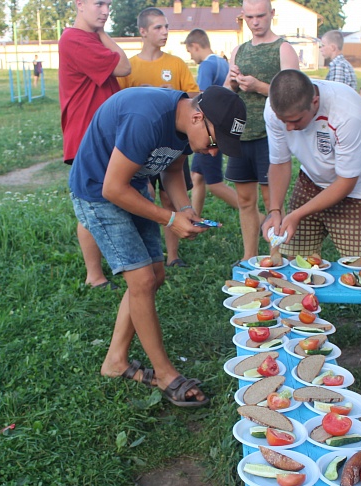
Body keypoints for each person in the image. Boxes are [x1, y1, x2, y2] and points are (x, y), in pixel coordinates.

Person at [69, 85, 246, 406]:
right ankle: (166, 375)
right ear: (197, 117)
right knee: (142, 280)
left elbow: (173, 169)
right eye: (215, 142)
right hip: (99, 192)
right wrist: (168, 219)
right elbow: (112, 188)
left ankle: (116, 361)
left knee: (154, 276)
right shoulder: (146, 118)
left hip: (132, 185)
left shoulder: (184, 124)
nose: (213, 152)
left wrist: (183, 209)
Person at [260, 70, 361, 371]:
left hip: (359, 188)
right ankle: (297, 331)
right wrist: (276, 210)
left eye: (296, 121)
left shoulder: (348, 114)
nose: (290, 127)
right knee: (293, 262)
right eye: (285, 122)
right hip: (311, 178)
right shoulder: (276, 110)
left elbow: (346, 181)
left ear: (315, 101)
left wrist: (297, 213)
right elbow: (279, 162)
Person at [118, 7, 200, 268]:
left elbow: (195, 99)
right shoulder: (129, 67)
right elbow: (119, 105)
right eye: (158, 27)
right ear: (143, 31)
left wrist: (171, 94)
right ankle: (147, 253)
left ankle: (173, 255)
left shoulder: (175, 63)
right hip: (139, 146)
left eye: (166, 27)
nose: (164, 32)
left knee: (169, 196)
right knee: (143, 195)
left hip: (172, 143)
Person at [60, 0, 131, 290]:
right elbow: (124, 65)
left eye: (108, 5)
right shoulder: (75, 39)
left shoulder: (91, 38)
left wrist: (100, 32)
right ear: (79, 4)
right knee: (91, 205)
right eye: (99, 3)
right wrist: (102, 33)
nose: (105, 10)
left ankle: (119, 263)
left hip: (104, 133)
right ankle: (95, 275)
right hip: (87, 135)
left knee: (112, 197)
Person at [225, 0, 299, 263]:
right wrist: (232, 82)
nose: (255, 22)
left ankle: (275, 256)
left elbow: (294, 95)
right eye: (250, 17)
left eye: (260, 16)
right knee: (245, 200)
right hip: (240, 134)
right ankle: (249, 257)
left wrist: (258, 86)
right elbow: (226, 93)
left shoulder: (284, 49)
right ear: (243, 16)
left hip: (271, 135)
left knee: (272, 200)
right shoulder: (239, 50)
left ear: (272, 14)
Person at [184, 28, 239, 217]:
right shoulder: (221, 63)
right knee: (197, 177)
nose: (191, 57)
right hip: (221, 126)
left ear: (195, 46)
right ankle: (196, 219)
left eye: (190, 52)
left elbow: (203, 99)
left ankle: (258, 217)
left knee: (215, 184)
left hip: (209, 131)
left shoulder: (206, 66)